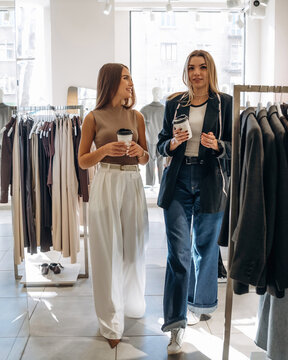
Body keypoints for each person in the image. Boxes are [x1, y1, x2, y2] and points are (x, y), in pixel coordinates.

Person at [157, 50, 232, 354]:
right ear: (185, 72)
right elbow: (161, 143)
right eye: (191, 67)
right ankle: (175, 325)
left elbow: (235, 144)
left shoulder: (224, 103)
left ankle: (201, 303)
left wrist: (219, 146)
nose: (197, 72)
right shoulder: (175, 103)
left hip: (210, 181)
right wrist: (172, 143)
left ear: (210, 70)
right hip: (177, 182)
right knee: (178, 253)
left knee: (206, 248)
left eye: (202, 67)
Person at [78, 63, 150, 349]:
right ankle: (111, 322)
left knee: (134, 250)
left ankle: (132, 305)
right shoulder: (92, 118)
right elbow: (82, 160)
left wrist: (139, 151)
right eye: (125, 77)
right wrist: (105, 150)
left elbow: (146, 158)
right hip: (106, 182)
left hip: (133, 183)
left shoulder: (138, 116)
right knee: (107, 253)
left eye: (130, 76)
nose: (130, 82)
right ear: (110, 82)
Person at [140, 87, 165, 187]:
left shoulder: (145, 110)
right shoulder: (145, 110)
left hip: (152, 138)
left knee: (152, 161)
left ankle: (153, 183)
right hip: (155, 139)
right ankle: (156, 183)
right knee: (157, 161)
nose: (158, 94)